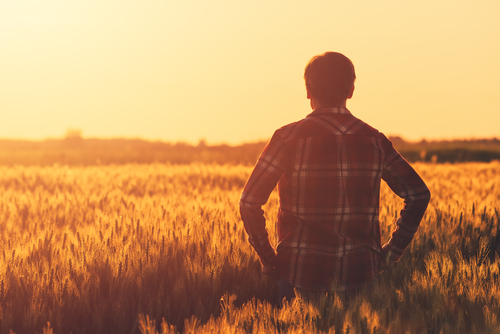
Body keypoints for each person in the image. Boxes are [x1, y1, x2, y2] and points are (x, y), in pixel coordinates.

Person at [239, 52, 431, 303]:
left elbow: (249, 201)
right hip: (361, 275)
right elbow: (418, 194)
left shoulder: (287, 139)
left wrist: (269, 260)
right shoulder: (374, 140)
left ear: (307, 91)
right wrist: (390, 255)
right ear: (351, 90)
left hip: (298, 274)